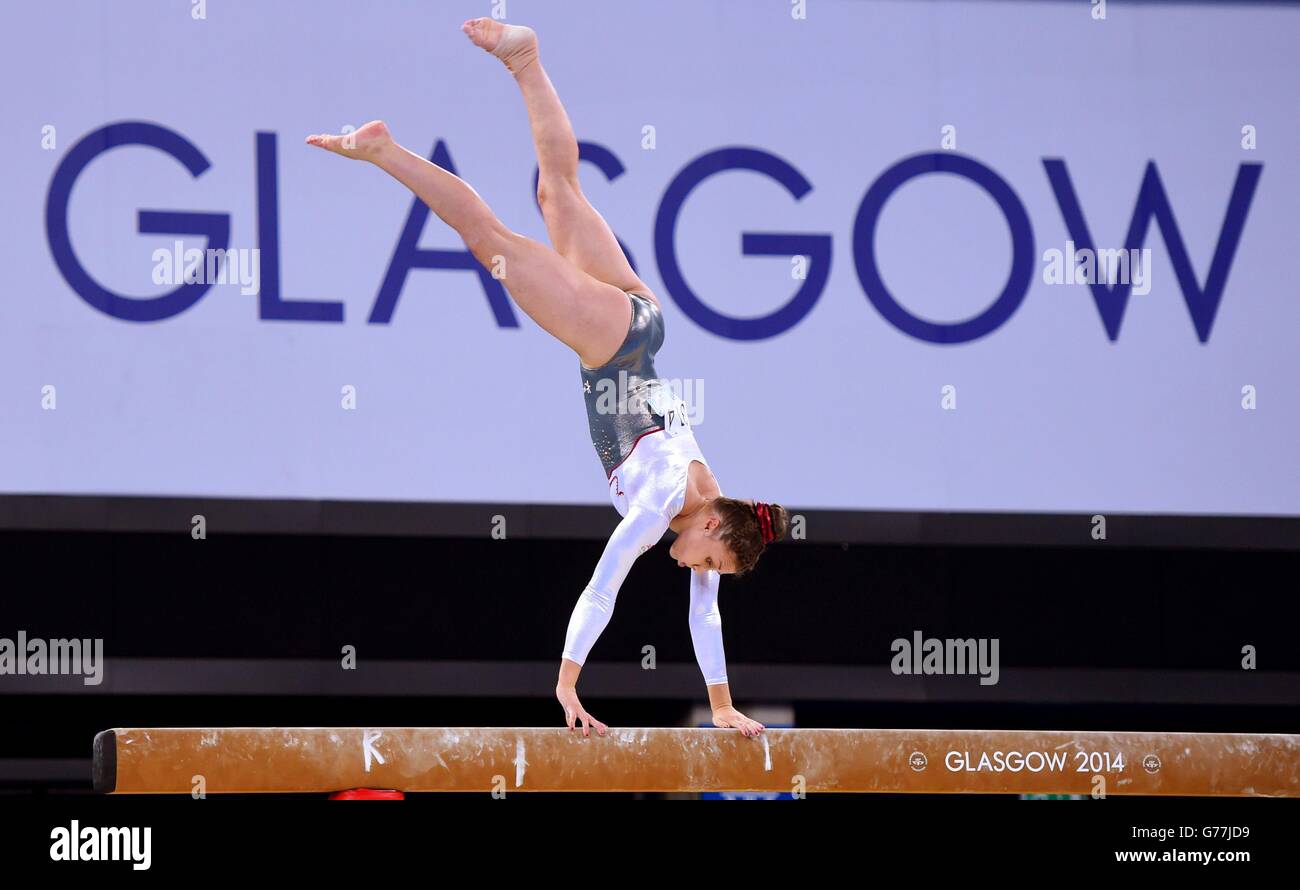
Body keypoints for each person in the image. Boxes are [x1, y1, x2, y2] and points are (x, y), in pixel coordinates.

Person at [306, 18, 789, 739]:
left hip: (640, 325)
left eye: (710, 562)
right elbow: (606, 582)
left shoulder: (708, 504)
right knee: (491, 242)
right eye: (709, 555)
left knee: (557, 191)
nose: (697, 566)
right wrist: (567, 685)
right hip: (613, 347)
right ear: (716, 525)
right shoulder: (666, 502)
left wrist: (721, 705)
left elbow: (706, 612)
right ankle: (383, 150)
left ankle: (525, 58)